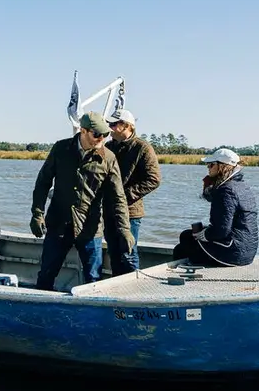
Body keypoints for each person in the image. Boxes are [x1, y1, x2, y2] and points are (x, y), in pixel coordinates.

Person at [30, 111, 136, 291]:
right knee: (47, 274)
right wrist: (37, 214)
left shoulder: (108, 158)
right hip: (59, 224)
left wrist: (125, 229)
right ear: (83, 131)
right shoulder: (61, 149)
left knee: (94, 279)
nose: (101, 138)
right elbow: (43, 182)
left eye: (105, 134)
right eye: (97, 134)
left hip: (90, 227)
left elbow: (118, 197)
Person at [175, 148, 258, 267]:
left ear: (223, 166)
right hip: (247, 252)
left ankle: (186, 273)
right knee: (189, 238)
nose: (208, 167)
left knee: (185, 239)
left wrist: (204, 234)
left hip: (232, 253)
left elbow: (221, 230)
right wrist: (209, 188)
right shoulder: (242, 186)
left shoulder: (226, 190)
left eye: (211, 164)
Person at [105, 108, 161, 269]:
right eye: (109, 124)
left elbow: (153, 179)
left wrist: (123, 196)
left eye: (114, 124)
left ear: (127, 126)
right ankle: (117, 283)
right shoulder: (108, 146)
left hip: (131, 211)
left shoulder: (142, 148)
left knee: (128, 253)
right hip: (108, 210)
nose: (110, 128)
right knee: (113, 253)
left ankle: (133, 283)